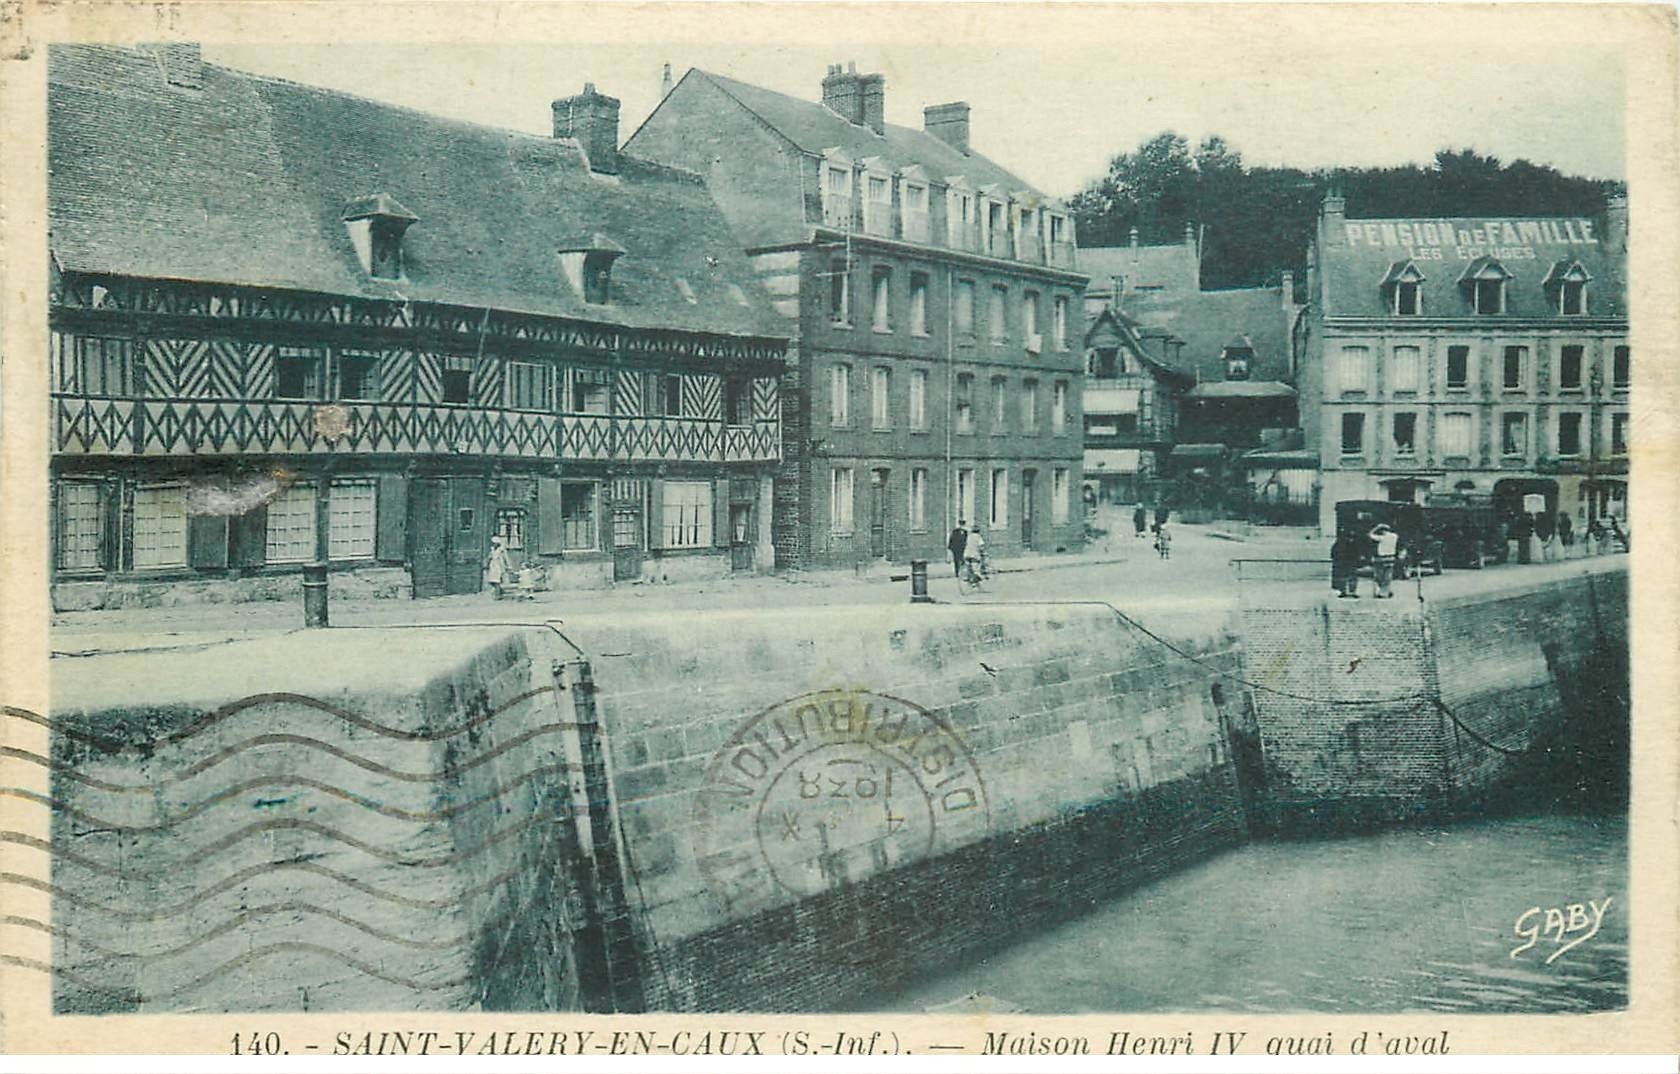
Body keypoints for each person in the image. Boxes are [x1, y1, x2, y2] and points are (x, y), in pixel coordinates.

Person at [1368, 522, 1399, 599]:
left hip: (1381, 558)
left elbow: (1369, 534)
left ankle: (1380, 592)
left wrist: (1376, 528)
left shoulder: (1381, 538)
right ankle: (1386, 591)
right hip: (1391, 558)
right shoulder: (1394, 536)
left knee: (1379, 576)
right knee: (1388, 576)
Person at [1331, 531, 1361, 598]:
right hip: (1347, 562)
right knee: (1349, 577)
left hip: (1347, 562)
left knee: (1347, 577)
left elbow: (1333, 553)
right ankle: (1347, 591)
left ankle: (1347, 591)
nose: (1351, 539)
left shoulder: (1339, 543)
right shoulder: (1351, 544)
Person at [486, 535, 513, 600]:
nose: (493, 544)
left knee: (497, 580)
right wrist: (487, 563)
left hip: (499, 565)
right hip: (493, 565)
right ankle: (500, 592)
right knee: (492, 580)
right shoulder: (492, 549)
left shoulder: (501, 550)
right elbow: (489, 557)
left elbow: (506, 558)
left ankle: (498, 595)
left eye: (494, 543)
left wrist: (508, 566)